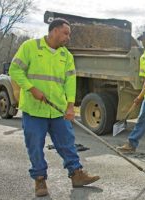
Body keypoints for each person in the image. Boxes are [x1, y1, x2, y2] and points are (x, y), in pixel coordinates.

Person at [9, 18, 100, 197]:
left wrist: (69, 106)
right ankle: (40, 179)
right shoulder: (30, 47)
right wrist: (31, 88)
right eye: (65, 33)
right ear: (54, 31)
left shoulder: (66, 56)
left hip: (57, 110)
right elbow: (15, 70)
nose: (68, 37)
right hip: (34, 109)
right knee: (35, 145)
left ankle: (76, 174)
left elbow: (70, 82)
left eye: (69, 34)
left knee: (67, 143)